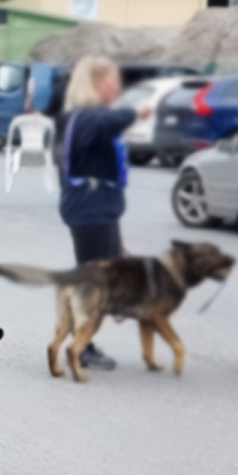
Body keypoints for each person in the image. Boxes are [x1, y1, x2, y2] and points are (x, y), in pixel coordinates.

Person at [54, 55, 138, 372]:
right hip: (90, 209)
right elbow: (115, 121)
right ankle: (82, 345)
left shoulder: (83, 116)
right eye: (113, 79)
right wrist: (135, 109)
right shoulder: (90, 116)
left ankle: (90, 331)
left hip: (95, 208)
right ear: (98, 82)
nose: (118, 86)